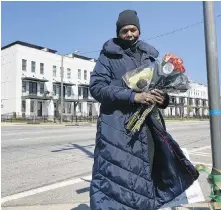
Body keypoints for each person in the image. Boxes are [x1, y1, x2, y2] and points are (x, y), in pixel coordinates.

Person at [89, 10, 199, 210]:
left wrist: (162, 98)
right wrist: (133, 96)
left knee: (145, 177)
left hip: (147, 128)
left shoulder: (149, 57)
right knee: (118, 179)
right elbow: (97, 88)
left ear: (138, 30)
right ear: (118, 32)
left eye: (133, 29)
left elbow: (159, 86)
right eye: (124, 30)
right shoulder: (108, 56)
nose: (129, 34)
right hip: (118, 129)